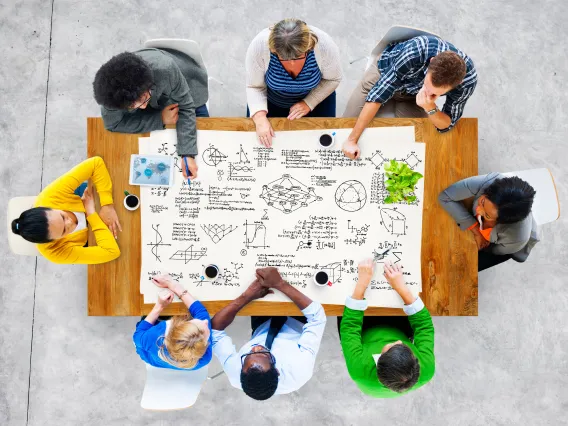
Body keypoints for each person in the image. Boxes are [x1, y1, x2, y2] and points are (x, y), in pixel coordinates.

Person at [342, 35, 477, 159]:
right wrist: (352, 140)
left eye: (435, 93)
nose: (429, 93)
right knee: (344, 128)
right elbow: (378, 94)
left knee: (415, 147)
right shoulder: (416, 50)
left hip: (413, 96)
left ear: (458, 83)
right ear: (432, 61)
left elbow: (447, 125)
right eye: (427, 85)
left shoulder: (467, 82)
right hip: (384, 74)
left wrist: (430, 107)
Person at [211, 267, 326, 400]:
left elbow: (214, 330)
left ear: (242, 370)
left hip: (262, 325)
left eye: (249, 354)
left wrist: (247, 296)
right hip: (298, 318)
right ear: (276, 370)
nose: (256, 348)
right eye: (264, 354)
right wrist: (280, 284)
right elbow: (317, 317)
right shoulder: (299, 368)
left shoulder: (236, 372)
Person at [93, 48, 209, 178]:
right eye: (132, 106)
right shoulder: (111, 96)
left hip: (187, 85)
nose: (142, 108)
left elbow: (187, 106)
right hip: (157, 99)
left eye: (143, 100)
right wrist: (160, 119)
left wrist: (188, 154)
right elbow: (113, 124)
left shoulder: (165, 69)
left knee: (204, 137)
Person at [339, 259, 435, 397]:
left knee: (343, 304)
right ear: (415, 361)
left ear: (378, 359)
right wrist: (401, 288)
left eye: (392, 346)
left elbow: (349, 328)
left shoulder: (359, 369)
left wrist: (362, 283)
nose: (399, 342)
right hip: (399, 329)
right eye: (405, 347)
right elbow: (424, 327)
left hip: (362, 334)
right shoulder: (426, 369)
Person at [246, 18, 342, 147]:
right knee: (260, 146)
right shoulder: (259, 45)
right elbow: (254, 86)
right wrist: (259, 118)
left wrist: (309, 102)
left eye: (297, 57)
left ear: (309, 47)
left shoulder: (324, 45)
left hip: (317, 100)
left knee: (319, 148)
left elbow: (333, 79)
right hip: (271, 102)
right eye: (283, 58)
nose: (291, 63)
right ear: (273, 49)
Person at [11, 157, 121, 264]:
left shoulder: (50, 196)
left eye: (63, 217)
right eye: (64, 230)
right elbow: (111, 252)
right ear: (53, 241)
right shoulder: (53, 252)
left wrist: (107, 205)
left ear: (50, 207)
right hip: (91, 233)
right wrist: (91, 213)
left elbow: (96, 163)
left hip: (88, 198)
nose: (71, 223)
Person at [438, 173, 537, 271]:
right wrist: (476, 230)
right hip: (488, 232)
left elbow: (495, 251)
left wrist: (483, 247)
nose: (478, 210)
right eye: (482, 202)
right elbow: (445, 197)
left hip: (501, 246)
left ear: (501, 222)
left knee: (464, 267)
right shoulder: (489, 181)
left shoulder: (516, 238)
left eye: (487, 215)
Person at [133, 275, 212, 370]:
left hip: (149, 355)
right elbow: (201, 312)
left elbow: (138, 335)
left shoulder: (154, 336)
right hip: (163, 359)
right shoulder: (204, 357)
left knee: (146, 318)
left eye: (193, 322)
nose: (206, 322)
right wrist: (173, 286)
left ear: (178, 325)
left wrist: (159, 306)